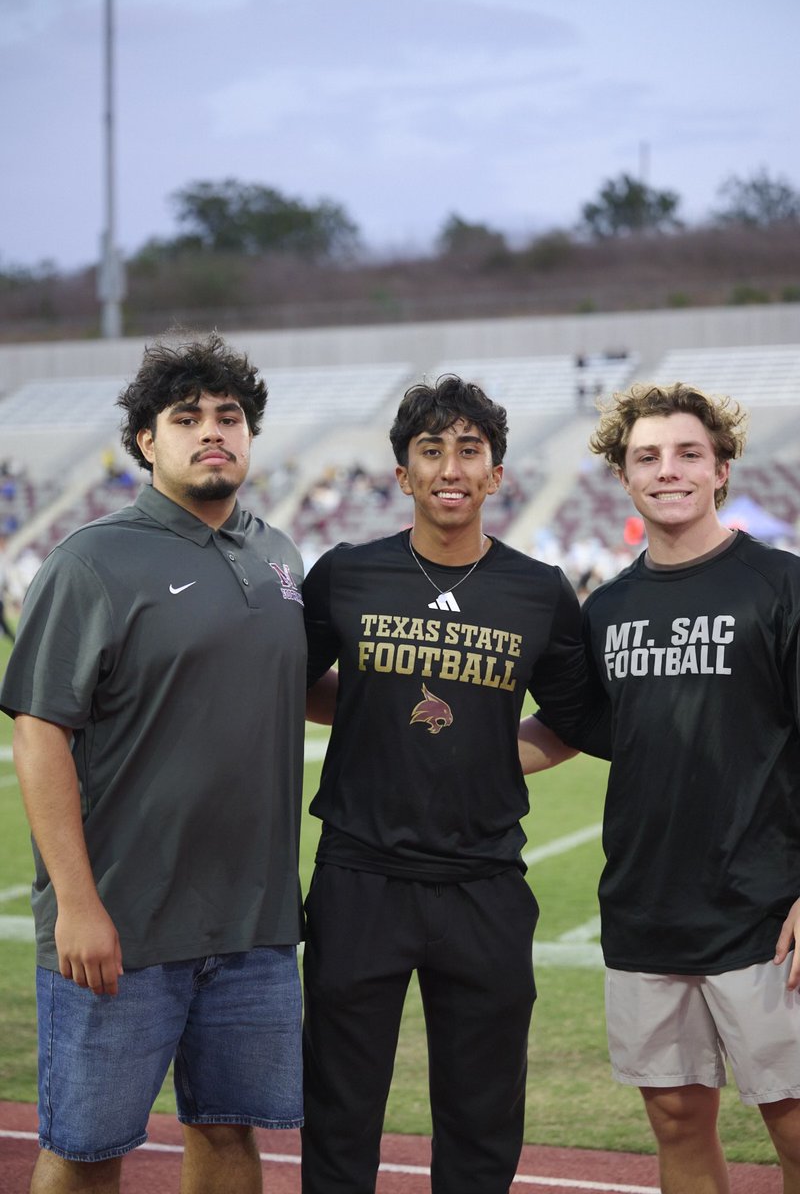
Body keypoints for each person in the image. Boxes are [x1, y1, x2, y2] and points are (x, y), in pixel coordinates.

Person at [0, 333, 307, 1194]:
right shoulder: (92, 560)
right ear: (145, 442)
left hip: (253, 926)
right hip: (122, 928)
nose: (213, 431)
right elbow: (40, 731)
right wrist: (77, 904)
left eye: (230, 416)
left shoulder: (278, 553)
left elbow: (301, 682)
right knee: (86, 1152)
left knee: (229, 1137)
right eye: (187, 418)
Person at [301, 374, 592, 1193]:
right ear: (403, 474)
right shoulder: (347, 574)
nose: (451, 466)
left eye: (470, 449)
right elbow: (294, 680)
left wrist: (498, 752)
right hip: (360, 878)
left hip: (484, 882)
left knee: (482, 1118)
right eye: (431, 450)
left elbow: (574, 721)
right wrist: (369, 716)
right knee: (339, 1111)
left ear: (498, 473)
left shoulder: (538, 589)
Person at [524, 381, 800, 1193]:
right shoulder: (607, 608)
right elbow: (568, 732)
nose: (668, 469)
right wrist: (425, 750)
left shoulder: (781, 587)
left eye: (688, 453)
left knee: (794, 1125)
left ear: (720, 469)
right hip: (646, 908)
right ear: (624, 475)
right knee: (677, 1124)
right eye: (648, 456)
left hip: (763, 911)